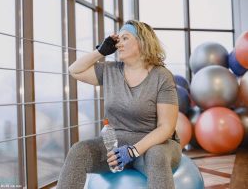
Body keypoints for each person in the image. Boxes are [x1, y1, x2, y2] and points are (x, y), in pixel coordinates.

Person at [56, 20, 181, 189]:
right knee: (78, 151)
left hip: (154, 145)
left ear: (142, 42)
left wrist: (132, 151)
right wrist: (100, 52)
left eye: (125, 38)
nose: (118, 44)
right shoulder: (110, 70)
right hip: (115, 145)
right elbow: (74, 70)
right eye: (117, 40)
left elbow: (166, 127)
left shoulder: (162, 76)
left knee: (157, 155)